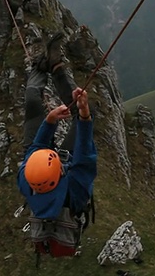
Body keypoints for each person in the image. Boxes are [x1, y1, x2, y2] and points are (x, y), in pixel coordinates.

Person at [17, 32, 98, 220]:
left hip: (43, 172)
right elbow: (84, 155)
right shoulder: (75, 188)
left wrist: (50, 120)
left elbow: (36, 148)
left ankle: (43, 66)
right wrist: (84, 113)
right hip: (68, 195)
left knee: (32, 103)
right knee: (88, 111)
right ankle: (57, 70)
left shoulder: (26, 178)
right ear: (62, 172)